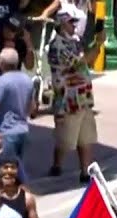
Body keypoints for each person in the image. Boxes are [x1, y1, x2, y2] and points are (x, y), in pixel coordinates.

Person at [47, 10, 97, 183]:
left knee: (86, 136)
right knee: (65, 140)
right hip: (68, 100)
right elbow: (80, 62)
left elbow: (88, 59)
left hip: (84, 96)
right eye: (69, 22)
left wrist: (96, 44)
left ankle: (85, 171)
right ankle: (57, 165)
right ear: (61, 25)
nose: (73, 25)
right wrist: (99, 43)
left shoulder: (75, 42)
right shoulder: (57, 46)